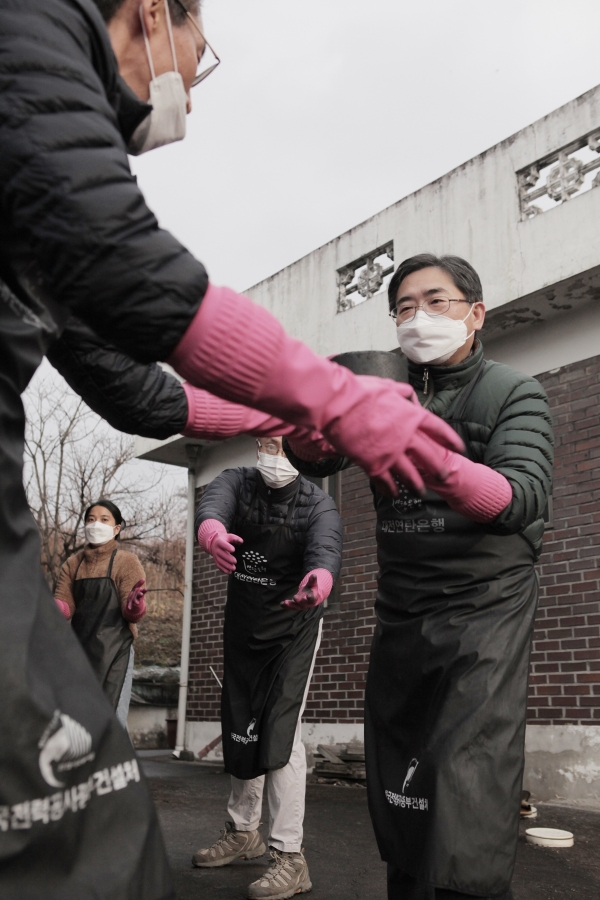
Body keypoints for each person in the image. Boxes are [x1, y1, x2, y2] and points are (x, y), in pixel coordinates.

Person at [0, 0, 460, 894]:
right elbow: (128, 262)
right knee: (81, 822)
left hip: (288, 620)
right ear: (150, 12)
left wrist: (269, 416)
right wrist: (328, 397)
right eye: (197, 59)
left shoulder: (37, 210)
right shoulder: (32, 25)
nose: (192, 95)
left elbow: (134, 388)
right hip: (235, 615)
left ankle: (283, 848)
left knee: (114, 805)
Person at [283, 255, 554, 900]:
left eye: (436, 301)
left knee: (465, 786)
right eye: (404, 307)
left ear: (476, 314)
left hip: (483, 613)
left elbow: (521, 497)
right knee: (402, 788)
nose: (417, 317)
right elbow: (315, 451)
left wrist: (425, 450)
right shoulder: (382, 386)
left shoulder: (514, 391)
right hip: (403, 611)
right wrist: (307, 436)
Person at [193, 437, 343, 900]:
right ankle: (243, 832)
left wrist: (319, 581)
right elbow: (212, 505)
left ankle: (290, 855)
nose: (270, 455)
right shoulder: (238, 482)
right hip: (245, 624)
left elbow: (326, 550)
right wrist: (212, 534)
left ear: (298, 448)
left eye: (279, 445)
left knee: (280, 731)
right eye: (263, 443)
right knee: (243, 726)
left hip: (292, 630)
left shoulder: (318, 503)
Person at [54, 500, 147, 728]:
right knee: (82, 724)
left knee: (113, 724)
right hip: (80, 653)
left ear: (117, 528)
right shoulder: (73, 564)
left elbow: (132, 614)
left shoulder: (126, 562)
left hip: (116, 652)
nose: (96, 524)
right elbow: (65, 606)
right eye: (91, 519)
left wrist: (135, 605)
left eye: (104, 520)